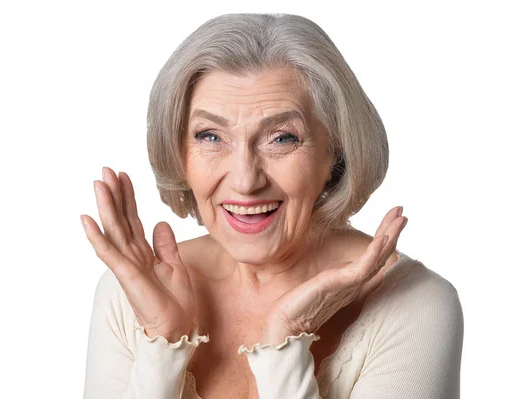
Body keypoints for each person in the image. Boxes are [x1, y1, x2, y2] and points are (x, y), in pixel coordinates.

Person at [80, 13, 464, 399]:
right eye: (211, 136)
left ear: (335, 151)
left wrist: (286, 338)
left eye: (281, 138)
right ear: (179, 152)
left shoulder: (414, 303)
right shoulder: (131, 292)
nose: (246, 181)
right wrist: (161, 345)